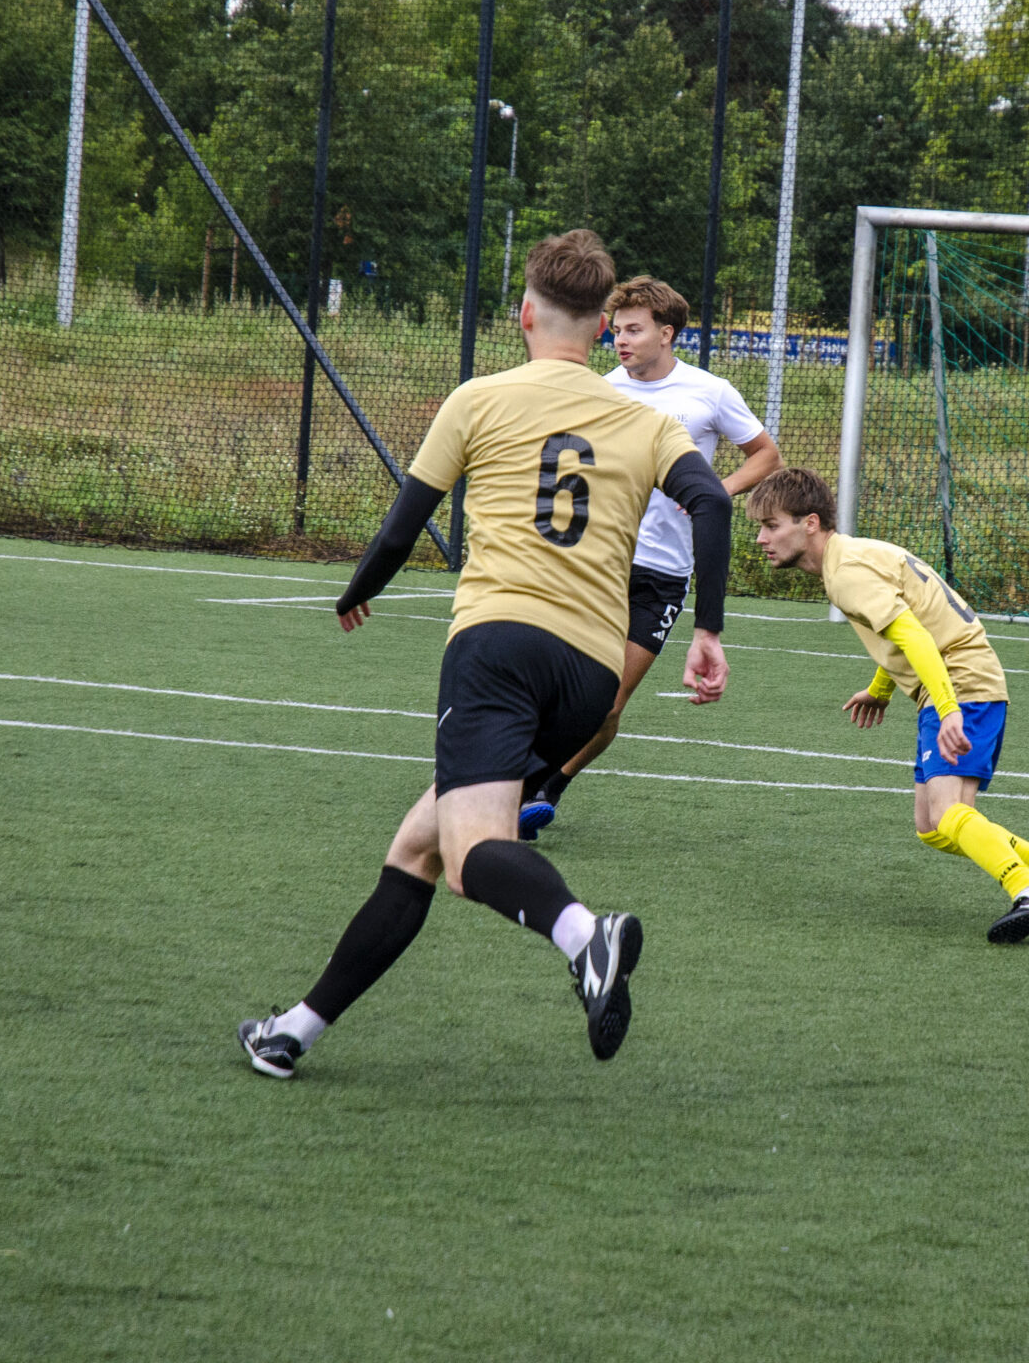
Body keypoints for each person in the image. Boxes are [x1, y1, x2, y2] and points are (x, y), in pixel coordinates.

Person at [237, 230, 735, 1080]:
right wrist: (708, 632)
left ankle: (586, 936)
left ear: (526, 314)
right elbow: (713, 505)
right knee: (420, 848)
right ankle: (294, 1031)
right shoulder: (647, 422)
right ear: (602, 324)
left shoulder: (479, 398)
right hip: (590, 677)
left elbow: (404, 525)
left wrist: (359, 590)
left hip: (498, 647)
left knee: (472, 858)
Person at [749, 467, 1029, 943]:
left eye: (771, 526)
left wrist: (949, 708)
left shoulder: (846, 573)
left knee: (948, 812)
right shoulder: (851, 556)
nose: (761, 538)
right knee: (933, 826)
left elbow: (914, 635)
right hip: (959, 680)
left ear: (810, 523)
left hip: (960, 682)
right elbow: (901, 630)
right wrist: (881, 688)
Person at [519, 275, 781, 840]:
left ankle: (549, 786)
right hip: (597, 563)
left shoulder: (709, 391)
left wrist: (713, 492)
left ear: (667, 334)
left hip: (663, 575)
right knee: (557, 686)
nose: (620, 340)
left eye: (634, 330)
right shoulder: (601, 390)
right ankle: (520, 785)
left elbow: (766, 455)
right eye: (616, 330)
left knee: (608, 703)